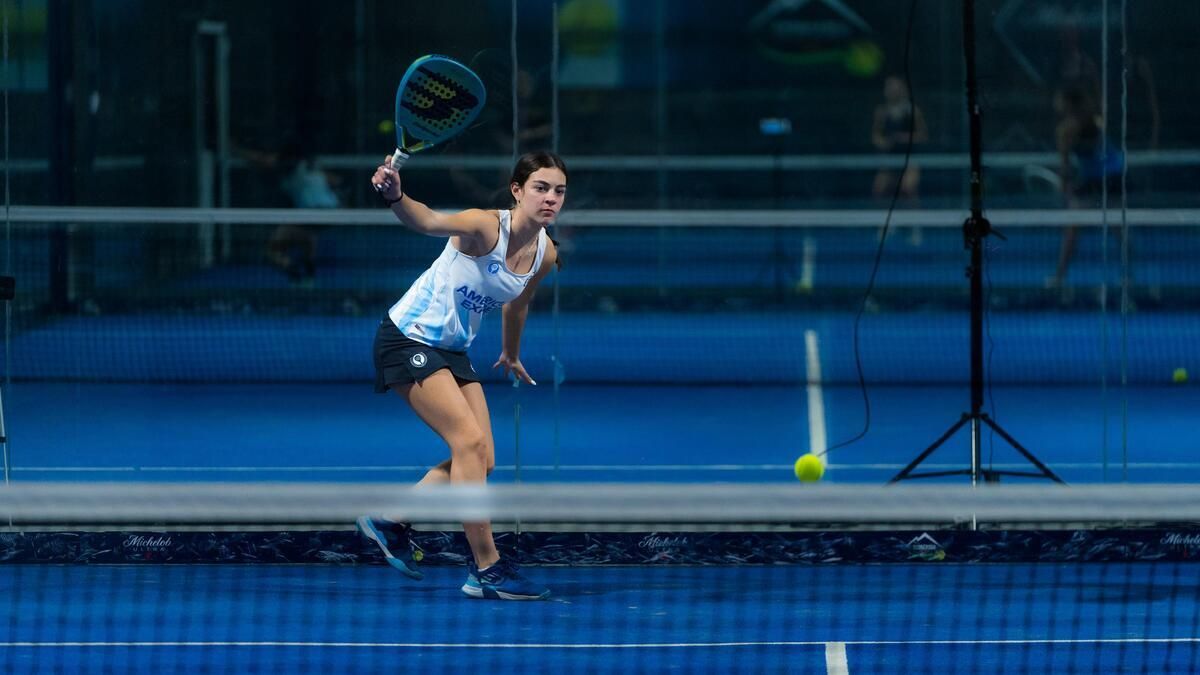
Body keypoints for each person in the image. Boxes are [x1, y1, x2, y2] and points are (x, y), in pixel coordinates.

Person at [356, 151, 565, 601]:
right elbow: (427, 220)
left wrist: (511, 352)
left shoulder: (545, 253)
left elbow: (517, 304)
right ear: (517, 191)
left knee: (482, 459)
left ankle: (389, 521)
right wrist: (396, 196)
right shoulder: (484, 226)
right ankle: (487, 567)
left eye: (558, 191)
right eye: (540, 188)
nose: (550, 198)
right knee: (468, 443)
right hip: (407, 338)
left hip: (452, 350)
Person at [1048, 85, 1126, 292]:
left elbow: (1065, 165)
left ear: (1068, 104)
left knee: (1115, 230)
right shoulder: (1092, 120)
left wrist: (1065, 185)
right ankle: (1128, 276)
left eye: (1059, 100)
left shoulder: (1069, 130)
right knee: (1118, 231)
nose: (1056, 104)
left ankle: (1059, 277)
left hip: (1109, 180)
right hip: (1105, 179)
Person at [871, 75, 928, 243]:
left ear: (902, 89)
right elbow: (876, 136)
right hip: (889, 159)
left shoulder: (913, 111)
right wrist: (884, 143)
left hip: (909, 159)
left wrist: (906, 138)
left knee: (908, 190)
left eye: (895, 87)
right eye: (889, 88)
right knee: (879, 190)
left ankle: (915, 226)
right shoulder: (882, 112)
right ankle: (886, 224)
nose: (892, 91)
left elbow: (923, 135)